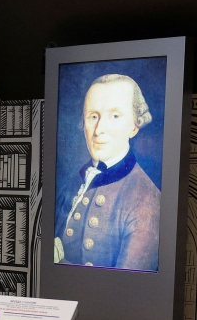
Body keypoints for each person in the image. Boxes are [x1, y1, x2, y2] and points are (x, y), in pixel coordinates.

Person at [55, 74, 160, 271]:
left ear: (134, 126)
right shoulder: (74, 183)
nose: (99, 129)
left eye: (114, 116)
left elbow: (126, 288)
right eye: (93, 117)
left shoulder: (146, 199)